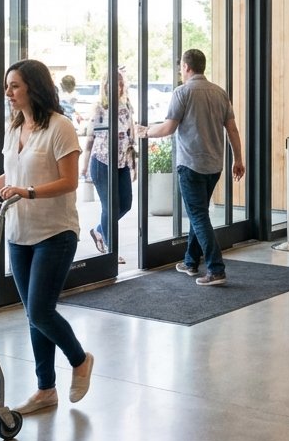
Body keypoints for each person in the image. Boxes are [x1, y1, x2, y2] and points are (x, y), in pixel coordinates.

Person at [0, 59, 93, 415]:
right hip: (19, 233)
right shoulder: (15, 127)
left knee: (40, 310)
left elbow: (69, 181)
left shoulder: (60, 128)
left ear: (33, 87)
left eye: (14, 86)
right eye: (6, 86)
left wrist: (28, 191)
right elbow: (10, 176)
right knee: (34, 315)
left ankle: (80, 360)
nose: (7, 92)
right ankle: (45, 389)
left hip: (55, 232)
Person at [137, 50, 245, 287]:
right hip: (214, 165)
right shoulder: (220, 93)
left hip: (191, 165)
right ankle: (190, 262)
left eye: (180, 68)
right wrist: (238, 159)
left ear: (186, 67)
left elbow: (167, 128)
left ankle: (216, 269)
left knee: (198, 215)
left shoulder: (182, 92)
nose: (180, 71)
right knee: (200, 213)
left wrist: (145, 132)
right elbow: (233, 130)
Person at [83, 69, 138, 260]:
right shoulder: (99, 108)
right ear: (105, 86)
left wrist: (134, 165)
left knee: (126, 204)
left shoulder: (126, 107)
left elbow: (131, 139)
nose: (118, 87)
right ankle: (110, 250)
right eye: (114, 83)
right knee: (110, 207)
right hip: (102, 162)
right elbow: (90, 138)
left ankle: (99, 231)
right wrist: (83, 166)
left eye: (121, 84)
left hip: (121, 163)